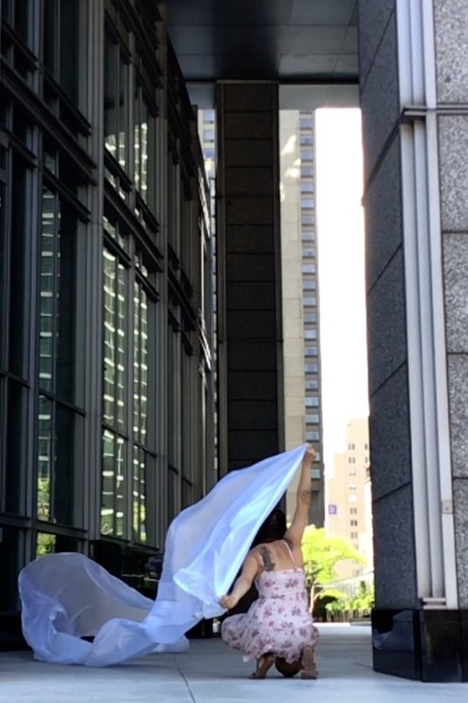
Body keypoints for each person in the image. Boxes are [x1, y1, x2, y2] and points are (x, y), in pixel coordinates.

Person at [219, 445, 319, 679]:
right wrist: (307, 465)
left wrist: (233, 598)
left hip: (268, 629)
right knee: (289, 663)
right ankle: (304, 651)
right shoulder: (293, 544)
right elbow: (304, 502)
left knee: (230, 627)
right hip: (302, 630)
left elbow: (245, 580)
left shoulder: (256, 554)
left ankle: (264, 656)